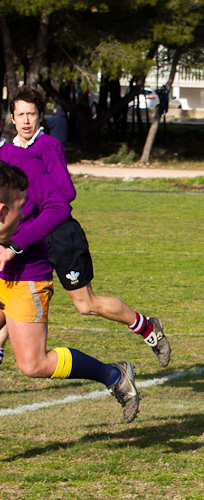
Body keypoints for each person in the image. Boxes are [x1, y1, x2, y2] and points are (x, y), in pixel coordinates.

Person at [8, 86, 171, 369]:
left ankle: (146, 327)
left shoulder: (48, 146)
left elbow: (66, 193)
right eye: (20, 114)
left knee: (86, 305)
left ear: (40, 116)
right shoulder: (7, 152)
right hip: (27, 239)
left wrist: (37, 198)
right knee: (7, 299)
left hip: (59, 235)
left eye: (31, 114)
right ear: (12, 118)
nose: (25, 120)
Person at [0, 112, 140, 423]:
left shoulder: (22, 164)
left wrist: (14, 244)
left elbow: (59, 205)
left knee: (33, 365)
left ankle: (115, 376)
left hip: (24, 274)